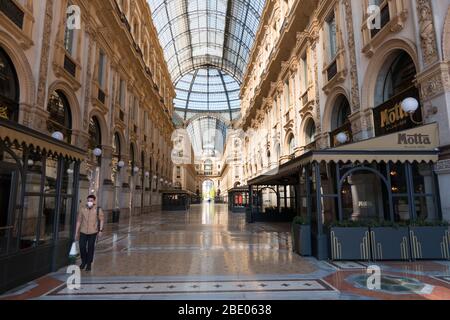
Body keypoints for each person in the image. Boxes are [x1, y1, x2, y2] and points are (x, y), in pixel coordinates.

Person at [75, 195, 105, 271]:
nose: (89, 202)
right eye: (88, 200)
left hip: (93, 232)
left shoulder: (98, 209)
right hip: (83, 231)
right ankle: (83, 261)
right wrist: (76, 232)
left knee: (91, 248)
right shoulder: (82, 209)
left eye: (91, 201)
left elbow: (101, 220)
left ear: (94, 201)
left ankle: (88, 264)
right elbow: (79, 221)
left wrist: (100, 230)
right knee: (82, 246)